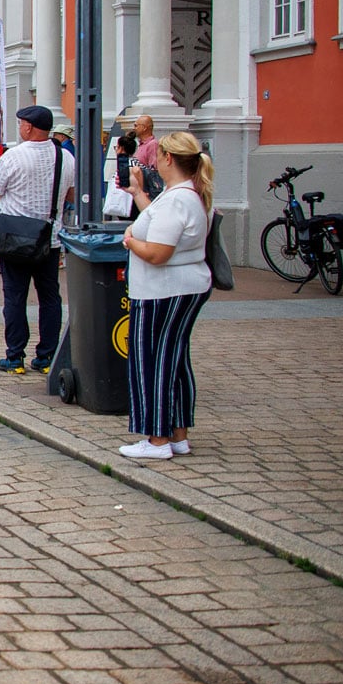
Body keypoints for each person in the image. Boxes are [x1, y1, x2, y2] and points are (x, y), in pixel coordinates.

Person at [119, 132, 213, 459]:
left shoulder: (177, 199)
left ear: (168, 158)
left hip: (163, 290)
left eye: (158, 155)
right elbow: (158, 223)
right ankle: (177, 434)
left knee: (152, 362)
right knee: (174, 360)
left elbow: (158, 252)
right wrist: (138, 193)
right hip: (179, 286)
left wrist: (130, 241)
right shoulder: (187, 194)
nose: (153, 160)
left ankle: (157, 438)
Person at [0, 104, 75, 374]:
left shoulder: (14, 156)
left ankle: (15, 356)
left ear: (28, 127)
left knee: (15, 298)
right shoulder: (65, 157)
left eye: (20, 123)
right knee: (50, 297)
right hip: (49, 238)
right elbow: (71, 195)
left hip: (15, 239)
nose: (19, 128)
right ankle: (47, 356)